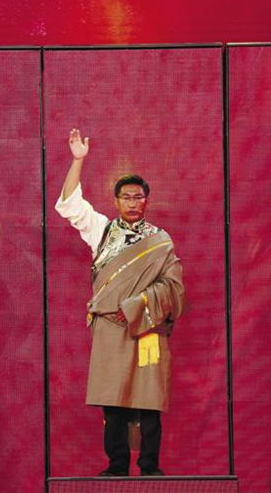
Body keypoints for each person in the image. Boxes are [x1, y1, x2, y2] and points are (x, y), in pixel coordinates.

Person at [55, 129, 186, 477]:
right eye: (125, 197)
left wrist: (136, 307)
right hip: (110, 329)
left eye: (138, 197)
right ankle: (116, 466)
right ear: (115, 201)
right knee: (112, 401)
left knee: (148, 400)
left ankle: (150, 466)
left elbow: (174, 288)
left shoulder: (160, 241)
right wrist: (78, 160)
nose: (132, 202)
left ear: (146, 201)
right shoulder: (102, 231)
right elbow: (69, 205)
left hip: (146, 328)